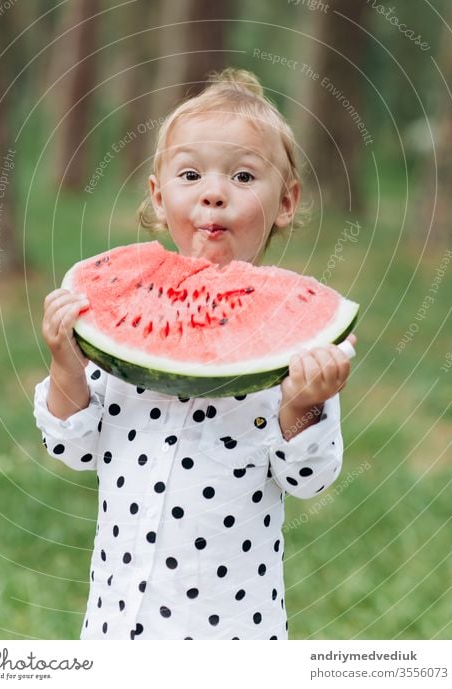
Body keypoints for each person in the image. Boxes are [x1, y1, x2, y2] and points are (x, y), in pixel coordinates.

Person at [34, 68, 357, 640]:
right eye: (190, 174)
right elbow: (73, 445)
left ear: (286, 202)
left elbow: (309, 477)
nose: (214, 191)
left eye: (242, 175)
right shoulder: (121, 336)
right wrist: (67, 364)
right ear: (160, 198)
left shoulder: (291, 344)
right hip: (117, 625)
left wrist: (303, 405)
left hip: (232, 636)